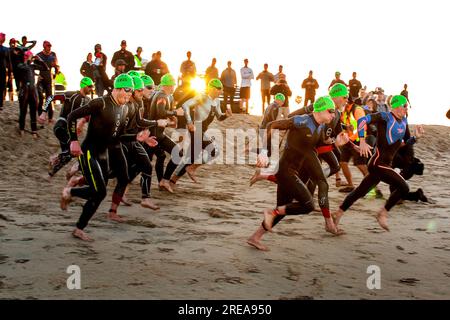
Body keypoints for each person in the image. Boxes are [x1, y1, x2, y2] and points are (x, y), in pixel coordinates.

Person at [60, 74, 152, 241]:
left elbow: (119, 134)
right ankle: (70, 195)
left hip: (104, 153)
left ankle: (77, 222)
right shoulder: (100, 103)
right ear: (117, 88)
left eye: (131, 92)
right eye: (127, 91)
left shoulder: (124, 108)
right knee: (100, 192)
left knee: (99, 193)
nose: (129, 95)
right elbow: (72, 116)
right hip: (88, 152)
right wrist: (73, 141)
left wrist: (137, 138)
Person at [247, 96, 345, 251]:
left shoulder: (319, 127)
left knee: (283, 209)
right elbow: (272, 125)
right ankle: (269, 212)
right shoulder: (302, 121)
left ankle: (255, 237)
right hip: (286, 171)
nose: (333, 115)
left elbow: (320, 148)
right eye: (331, 111)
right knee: (307, 205)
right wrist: (264, 152)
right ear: (320, 109)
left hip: (292, 172)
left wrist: (335, 143)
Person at [333, 95, 425, 231]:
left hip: (385, 164)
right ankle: (383, 213)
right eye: (405, 106)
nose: (407, 109)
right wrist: (362, 141)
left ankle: (338, 213)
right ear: (397, 106)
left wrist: (415, 138)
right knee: (404, 187)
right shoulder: (385, 117)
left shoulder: (404, 121)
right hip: (377, 163)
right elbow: (362, 120)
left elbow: (404, 144)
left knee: (360, 191)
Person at [108, 75, 167, 220]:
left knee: (146, 165)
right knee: (111, 174)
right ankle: (78, 180)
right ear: (133, 91)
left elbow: (139, 121)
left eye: (142, 90)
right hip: (121, 143)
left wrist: (150, 130)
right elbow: (117, 132)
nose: (142, 93)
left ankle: (145, 198)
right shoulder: (125, 107)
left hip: (133, 142)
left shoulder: (137, 104)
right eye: (139, 90)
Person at [170, 79, 231, 185]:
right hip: (196, 129)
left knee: (190, 157)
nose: (221, 92)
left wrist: (226, 115)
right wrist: (189, 122)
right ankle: (192, 168)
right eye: (219, 89)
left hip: (202, 130)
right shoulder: (202, 97)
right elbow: (185, 105)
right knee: (214, 151)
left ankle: (171, 181)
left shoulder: (217, 101)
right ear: (212, 89)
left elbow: (219, 117)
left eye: (221, 90)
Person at [38, 77, 94, 176]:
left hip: (69, 129)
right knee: (73, 151)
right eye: (90, 86)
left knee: (69, 155)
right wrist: (43, 113)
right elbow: (50, 98)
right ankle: (54, 158)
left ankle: (51, 173)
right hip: (61, 126)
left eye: (92, 87)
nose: (91, 89)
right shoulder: (71, 95)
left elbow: (89, 115)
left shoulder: (87, 100)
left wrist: (82, 123)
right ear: (84, 85)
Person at [147, 73, 184, 193]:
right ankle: (164, 180)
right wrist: (175, 113)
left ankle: (162, 182)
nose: (174, 88)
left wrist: (171, 122)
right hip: (155, 135)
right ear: (168, 85)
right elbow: (161, 112)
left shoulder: (160, 95)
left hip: (155, 133)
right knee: (178, 153)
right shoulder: (162, 95)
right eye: (172, 85)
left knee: (160, 157)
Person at [17, 51, 47, 138]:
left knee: (33, 111)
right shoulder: (21, 65)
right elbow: (21, 68)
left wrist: (40, 59)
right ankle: (21, 129)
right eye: (28, 56)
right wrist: (27, 60)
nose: (30, 57)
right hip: (24, 90)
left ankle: (34, 130)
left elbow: (45, 68)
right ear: (26, 57)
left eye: (30, 56)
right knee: (23, 111)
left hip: (33, 90)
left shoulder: (33, 66)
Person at [36, 41, 58, 121]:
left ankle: (50, 117)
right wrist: (37, 75)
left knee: (49, 99)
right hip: (41, 80)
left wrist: (56, 69)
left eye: (50, 46)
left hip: (49, 79)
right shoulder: (38, 55)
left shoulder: (53, 54)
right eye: (48, 46)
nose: (49, 48)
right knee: (41, 98)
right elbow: (34, 67)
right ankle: (40, 115)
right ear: (44, 46)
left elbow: (57, 66)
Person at [0, 32, 11, 111]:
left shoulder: (6, 49)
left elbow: (9, 62)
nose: (4, 38)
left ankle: (0, 104)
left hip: (3, 70)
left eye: (4, 37)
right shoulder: (5, 49)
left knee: (2, 87)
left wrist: (10, 73)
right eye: (3, 37)